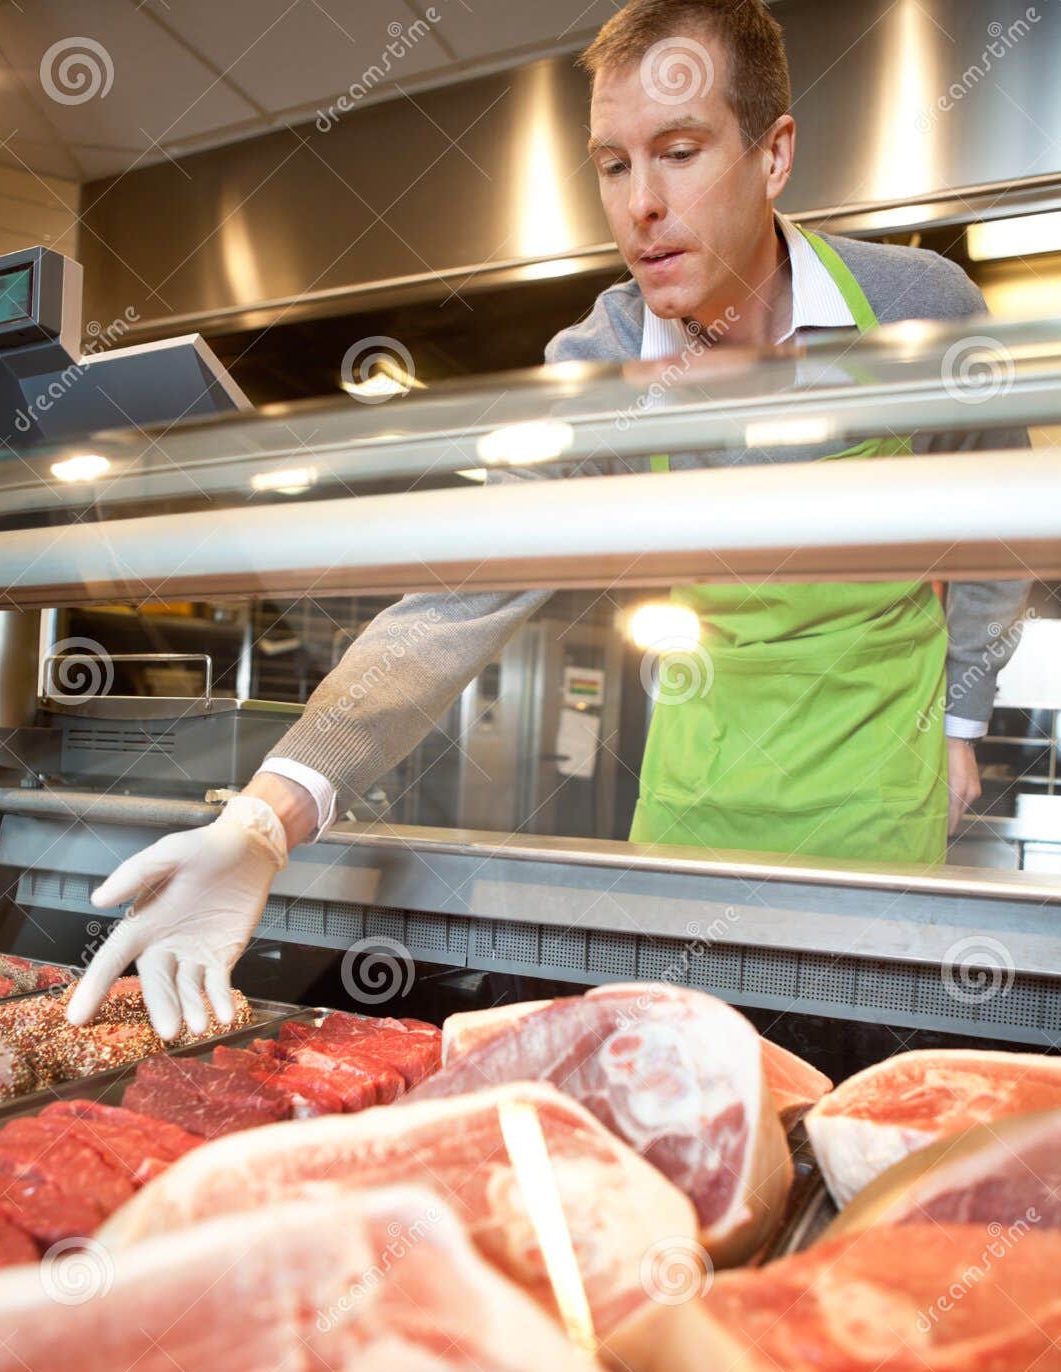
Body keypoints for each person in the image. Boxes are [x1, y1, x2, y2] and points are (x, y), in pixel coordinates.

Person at [68, 0, 1028, 1039]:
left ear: (772, 153)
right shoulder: (600, 363)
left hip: (876, 780)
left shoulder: (916, 305)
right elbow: (462, 595)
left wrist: (961, 722)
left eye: (678, 151)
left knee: (851, 1092)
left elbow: (1000, 527)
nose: (640, 206)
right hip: (695, 788)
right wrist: (264, 816)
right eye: (612, 165)